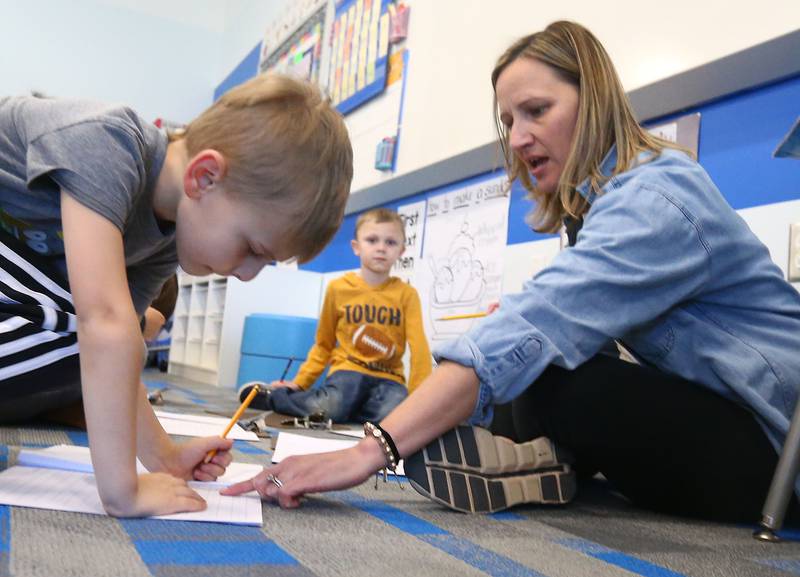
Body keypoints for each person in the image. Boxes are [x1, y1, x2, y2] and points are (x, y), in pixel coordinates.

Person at [222, 21, 800, 524]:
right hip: (725, 426)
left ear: (592, 99)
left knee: (549, 374)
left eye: (537, 111)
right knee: (531, 363)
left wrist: (369, 451)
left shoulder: (656, 197)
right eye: (509, 119)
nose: (519, 137)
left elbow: (533, 325)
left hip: (776, 453)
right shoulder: (595, 209)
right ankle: (539, 460)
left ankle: (546, 461)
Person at [0, 73, 353, 517]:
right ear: (204, 177)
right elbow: (104, 327)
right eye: (252, 250)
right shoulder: (106, 143)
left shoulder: (164, 239)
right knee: (92, 327)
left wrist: (164, 459)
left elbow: (121, 344)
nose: (246, 275)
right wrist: (122, 491)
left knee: (103, 338)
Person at [238, 207, 432, 423]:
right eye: (372, 240)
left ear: (402, 251)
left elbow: (419, 347)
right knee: (333, 406)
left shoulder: (407, 294)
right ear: (356, 247)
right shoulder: (339, 289)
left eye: (390, 242)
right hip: (348, 372)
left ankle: (352, 411)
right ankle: (274, 397)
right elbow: (324, 344)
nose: (381, 248)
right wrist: (300, 382)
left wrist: (420, 397)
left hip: (389, 379)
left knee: (393, 416)